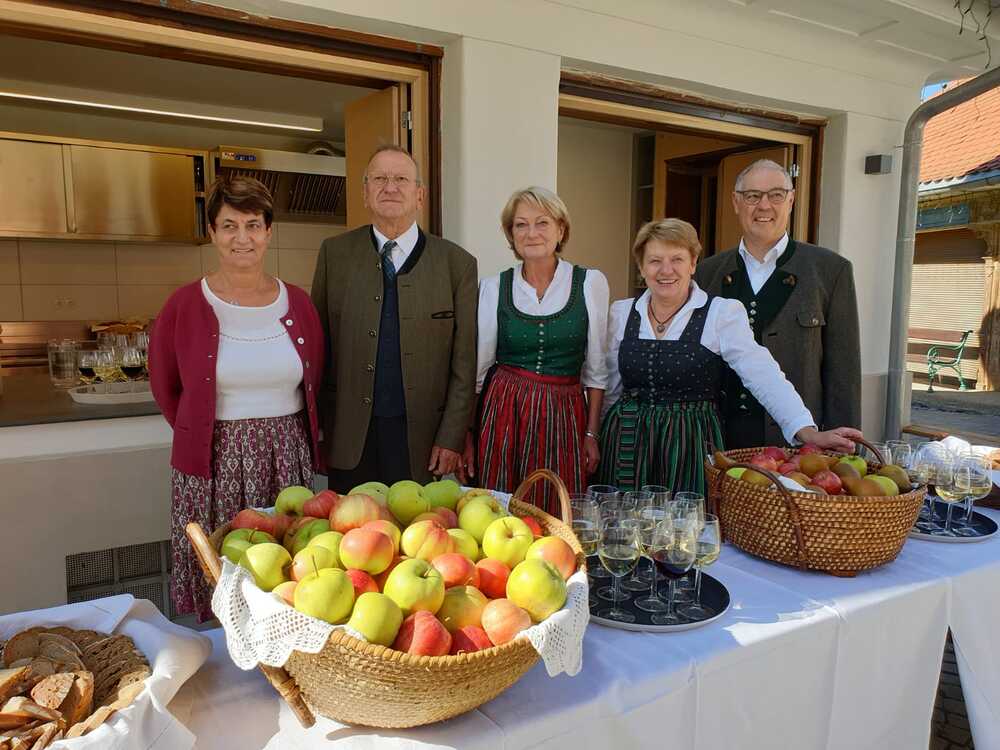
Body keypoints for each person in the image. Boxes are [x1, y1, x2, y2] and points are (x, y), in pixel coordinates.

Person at [150, 175, 324, 621]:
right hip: (213, 460)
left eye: (252, 225)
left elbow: (316, 377)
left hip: (285, 456)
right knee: (222, 574)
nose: (241, 238)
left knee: (284, 575)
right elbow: (166, 387)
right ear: (212, 232)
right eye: (229, 225)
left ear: (268, 232)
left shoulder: (299, 303)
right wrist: (202, 431)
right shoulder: (183, 305)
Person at [597, 218, 861, 496]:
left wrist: (805, 430)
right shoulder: (622, 313)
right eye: (654, 261)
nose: (666, 270)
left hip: (689, 444)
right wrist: (600, 434)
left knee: (687, 517)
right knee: (622, 517)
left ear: (693, 263)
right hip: (627, 441)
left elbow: (763, 375)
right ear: (641, 267)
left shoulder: (720, 314)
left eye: (677, 259)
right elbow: (612, 385)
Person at [311, 145, 477, 490]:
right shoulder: (333, 254)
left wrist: (452, 436)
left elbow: (465, 363)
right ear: (365, 193)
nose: (390, 187)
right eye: (379, 179)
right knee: (347, 523)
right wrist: (320, 429)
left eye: (401, 179)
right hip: (349, 437)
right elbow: (317, 349)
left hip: (422, 440)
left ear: (420, 195)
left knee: (419, 525)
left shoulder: (457, 264)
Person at [694, 159, 861, 449]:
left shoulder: (830, 271)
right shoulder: (707, 273)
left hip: (796, 446)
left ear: (791, 200)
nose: (764, 206)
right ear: (736, 202)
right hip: (718, 439)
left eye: (776, 195)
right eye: (752, 196)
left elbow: (843, 373)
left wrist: (842, 451)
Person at [471, 187, 609, 516]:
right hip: (505, 410)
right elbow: (480, 371)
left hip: (564, 412)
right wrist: (469, 435)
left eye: (542, 222)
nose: (531, 233)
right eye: (521, 225)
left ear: (561, 230)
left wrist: (592, 433)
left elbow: (596, 371)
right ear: (511, 234)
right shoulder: (493, 287)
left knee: (558, 506)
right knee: (502, 509)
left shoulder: (589, 282)